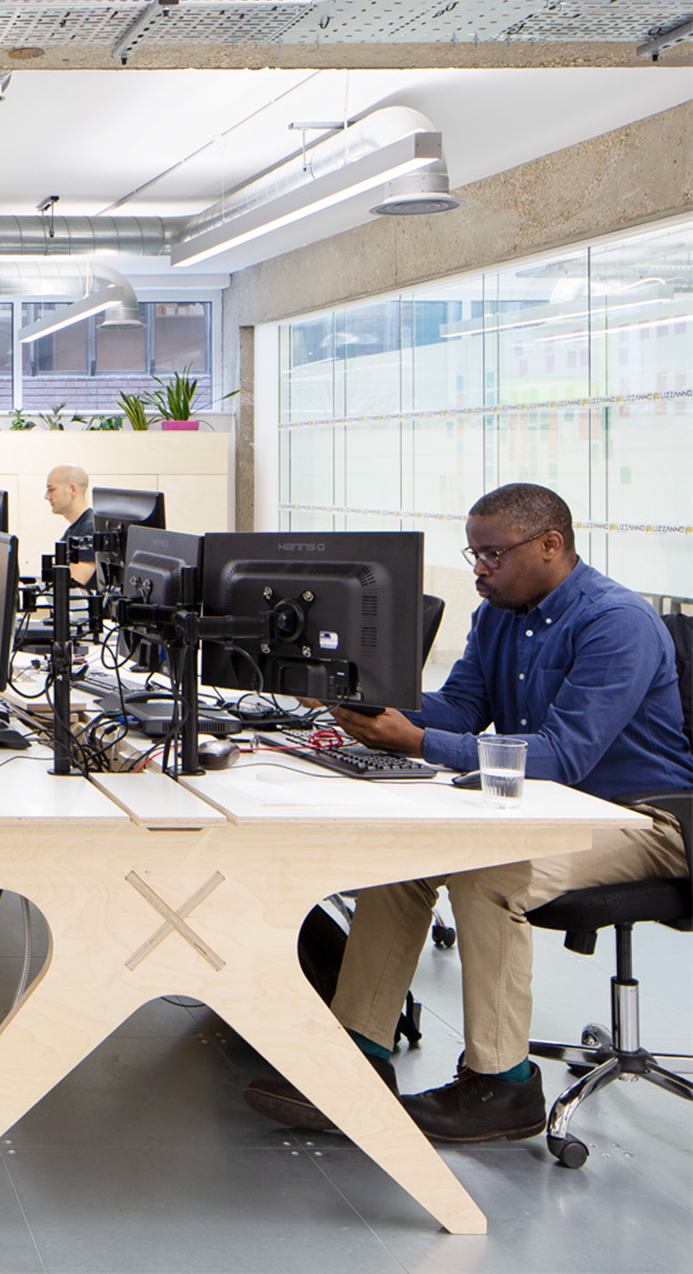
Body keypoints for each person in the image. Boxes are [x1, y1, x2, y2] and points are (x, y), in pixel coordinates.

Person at [246, 483, 691, 1144]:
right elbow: (460, 710)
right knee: (404, 860)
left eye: (493, 555)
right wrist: (365, 696)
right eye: (474, 553)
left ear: (551, 544)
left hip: (643, 818)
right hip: (547, 806)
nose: (480, 569)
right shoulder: (498, 615)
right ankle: (355, 1059)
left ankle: (503, 1086)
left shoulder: (615, 622)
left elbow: (564, 755)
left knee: (489, 877)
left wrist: (417, 742)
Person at [43, 464, 97, 586]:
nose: (46, 496)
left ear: (72, 490)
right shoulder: (74, 530)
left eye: (51, 489)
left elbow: (70, 586)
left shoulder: (89, 530)